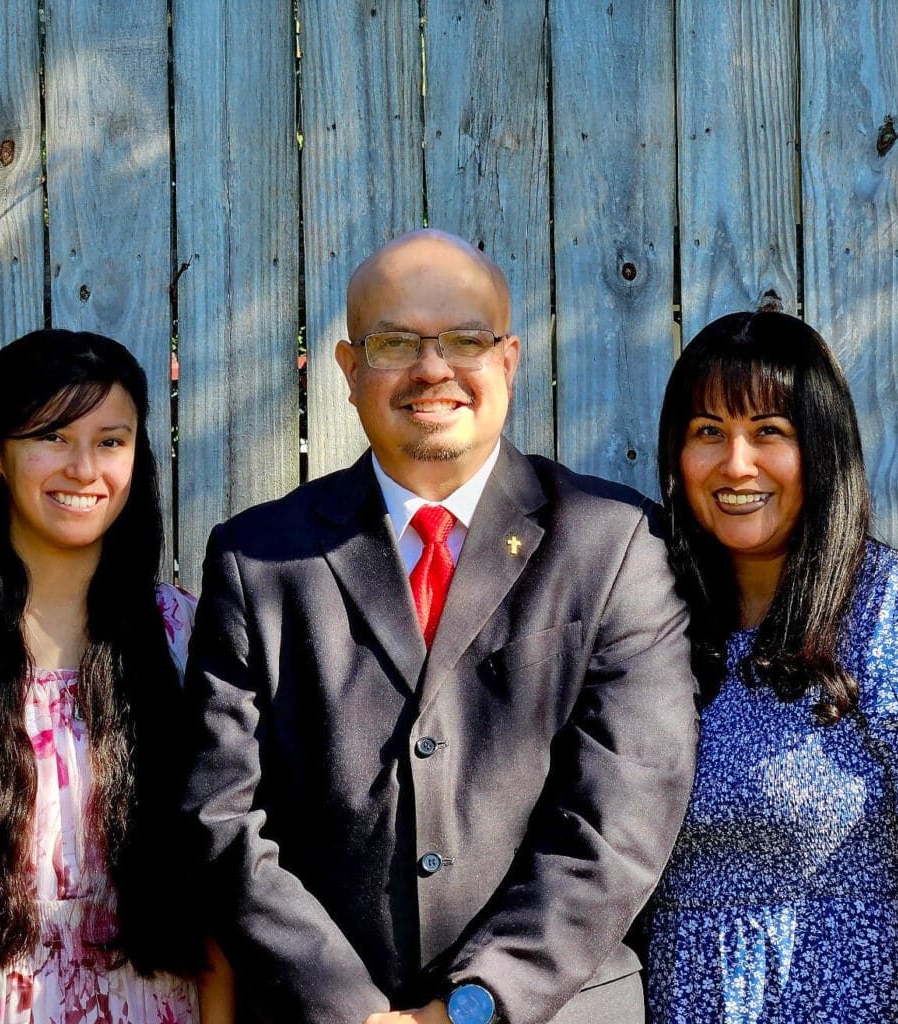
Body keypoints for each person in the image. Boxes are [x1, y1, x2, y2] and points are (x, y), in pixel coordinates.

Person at [182, 228, 699, 1024]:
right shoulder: (258, 560)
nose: (433, 369)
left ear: (509, 360)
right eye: (396, 342)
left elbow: (623, 816)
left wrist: (470, 1007)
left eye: (466, 340)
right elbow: (219, 816)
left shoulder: (614, 542)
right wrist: (350, 1010)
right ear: (350, 371)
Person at [0, 330, 231, 1022]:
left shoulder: (190, 639)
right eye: (53, 436)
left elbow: (222, 898)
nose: (85, 469)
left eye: (112, 441)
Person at [647, 310, 898, 1023]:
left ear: (823, 448)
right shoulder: (647, 621)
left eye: (769, 432)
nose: (735, 464)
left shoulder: (893, 612)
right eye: (707, 431)